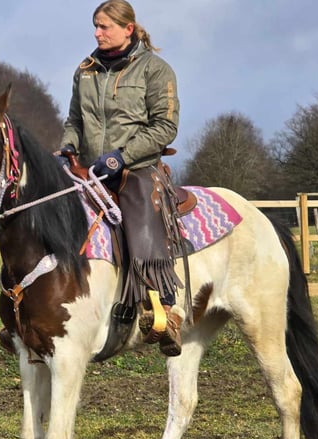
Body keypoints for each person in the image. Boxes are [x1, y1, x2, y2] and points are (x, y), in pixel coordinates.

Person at [58, 0, 185, 356]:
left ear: (128, 29)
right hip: (87, 168)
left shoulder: (156, 70)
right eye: (95, 27)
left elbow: (165, 127)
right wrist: (67, 147)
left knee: (141, 213)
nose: (97, 33)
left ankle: (163, 308)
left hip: (137, 167)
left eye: (104, 27)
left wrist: (121, 158)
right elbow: (74, 121)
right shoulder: (85, 71)